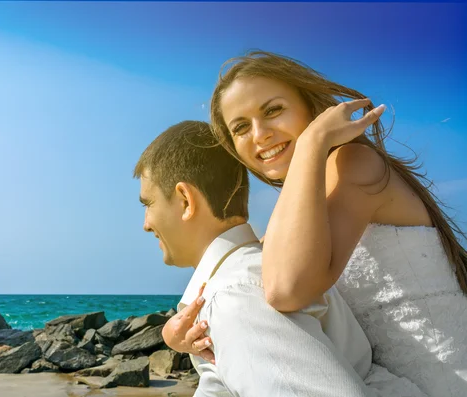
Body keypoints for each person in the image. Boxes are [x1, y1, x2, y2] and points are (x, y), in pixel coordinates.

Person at [167, 51, 467, 397]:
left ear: (311, 108)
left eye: (273, 110)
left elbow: (285, 290)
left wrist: (312, 141)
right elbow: (249, 276)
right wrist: (176, 336)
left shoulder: (353, 164)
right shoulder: (304, 206)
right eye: (241, 128)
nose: (260, 134)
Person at [134, 120, 424, 396]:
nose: (146, 223)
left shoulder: (236, 296)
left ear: (185, 200)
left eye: (148, 203)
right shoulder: (253, 273)